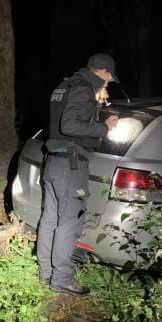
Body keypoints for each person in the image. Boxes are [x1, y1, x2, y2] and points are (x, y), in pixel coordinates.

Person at [37, 53, 120, 296]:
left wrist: (96, 101)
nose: (107, 85)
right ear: (103, 72)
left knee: (50, 219)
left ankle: (46, 273)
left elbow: (66, 117)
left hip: (54, 160)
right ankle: (61, 279)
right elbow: (70, 125)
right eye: (108, 80)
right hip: (71, 164)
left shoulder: (65, 85)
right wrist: (105, 127)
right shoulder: (83, 89)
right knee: (68, 223)